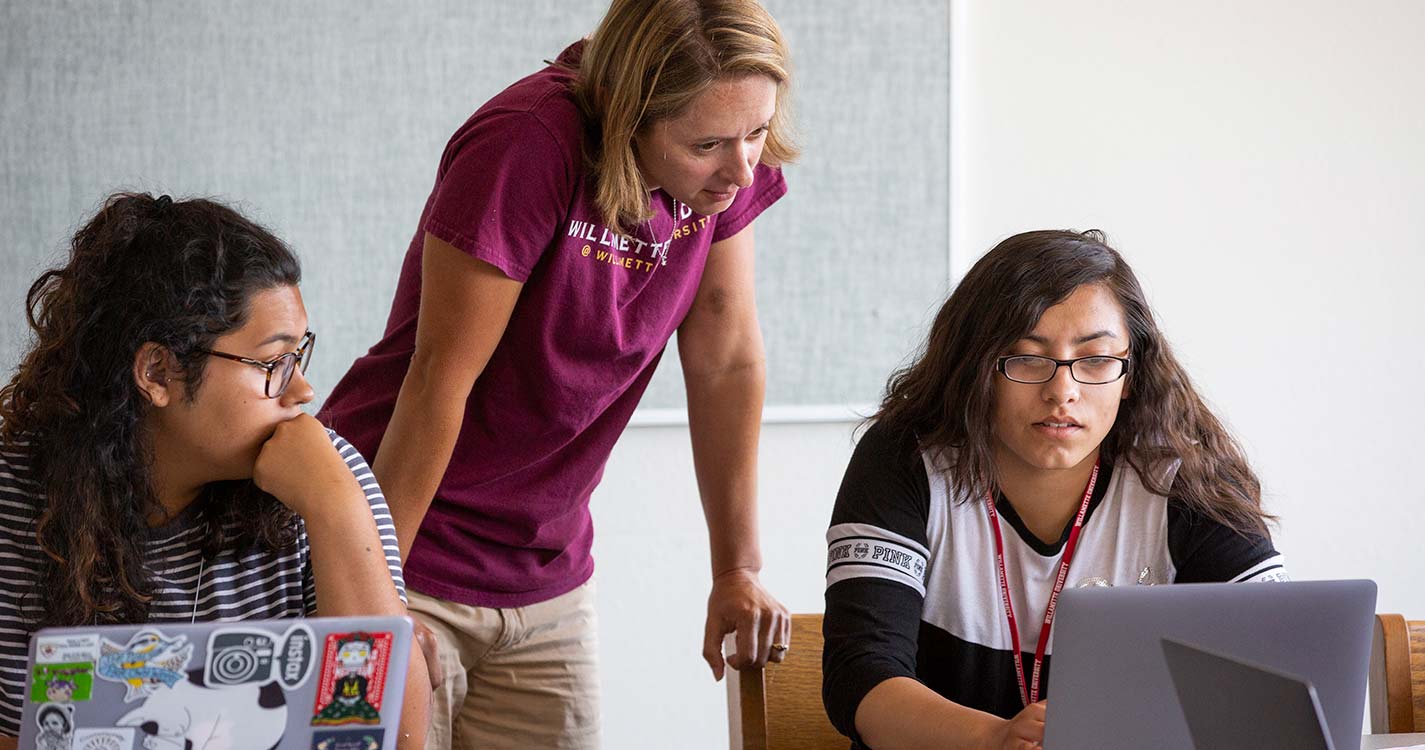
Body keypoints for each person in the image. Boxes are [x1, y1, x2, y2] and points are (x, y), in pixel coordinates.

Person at [317, 0, 797, 746]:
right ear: (627, 113)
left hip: (546, 565)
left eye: (758, 132)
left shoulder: (721, 167)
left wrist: (735, 568)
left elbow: (726, 357)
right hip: (408, 540)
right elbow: (442, 375)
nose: (742, 169)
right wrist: (379, 592)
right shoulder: (527, 143)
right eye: (707, 143)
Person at [821, 230, 1288, 750]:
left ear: (1131, 373)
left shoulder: (1184, 474)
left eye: (1095, 360)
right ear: (977, 367)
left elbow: (1273, 665)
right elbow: (861, 676)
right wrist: (996, 738)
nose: (1062, 392)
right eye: (1026, 358)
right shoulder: (905, 459)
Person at [0, 193, 430, 750]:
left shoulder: (327, 476)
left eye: (300, 356)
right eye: (273, 362)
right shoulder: (16, 500)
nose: (303, 390)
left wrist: (338, 510)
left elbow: (402, 737)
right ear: (158, 371)